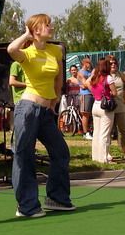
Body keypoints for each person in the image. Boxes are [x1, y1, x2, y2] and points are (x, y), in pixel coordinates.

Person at [7, 14, 75, 217]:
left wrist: (55, 100)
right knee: (24, 155)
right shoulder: (26, 53)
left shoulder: (56, 50)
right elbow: (11, 49)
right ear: (36, 29)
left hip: (46, 111)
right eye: (47, 25)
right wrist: (26, 34)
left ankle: (57, 199)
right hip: (28, 109)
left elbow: (58, 78)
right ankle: (27, 206)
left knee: (61, 152)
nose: (51, 27)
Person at [88, 58, 117, 164]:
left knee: (96, 133)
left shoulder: (94, 77)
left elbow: (89, 85)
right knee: (104, 134)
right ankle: (104, 158)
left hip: (95, 105)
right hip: (105, 107)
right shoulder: (108, 78)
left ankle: (96, 157)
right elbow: (114, 93)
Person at [108, 57, 125, 162]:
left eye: (115, 63)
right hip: (108, 106)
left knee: (123, 130)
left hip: (120, 105)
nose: (113, 65)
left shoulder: (121, 75)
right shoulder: (105, 75)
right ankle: (107, 153)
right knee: (108, 130)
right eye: (111, 63)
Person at [77, 57, 94, 140]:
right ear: (84, 63)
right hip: (85, 94)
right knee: (85, 114)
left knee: (91, 114)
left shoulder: (90, 72)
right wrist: (87, 85)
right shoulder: (80, 72)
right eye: (88, 63)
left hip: (91, 94)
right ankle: (85, 132)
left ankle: (91, 131)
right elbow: (85, 84)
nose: (90, 64)